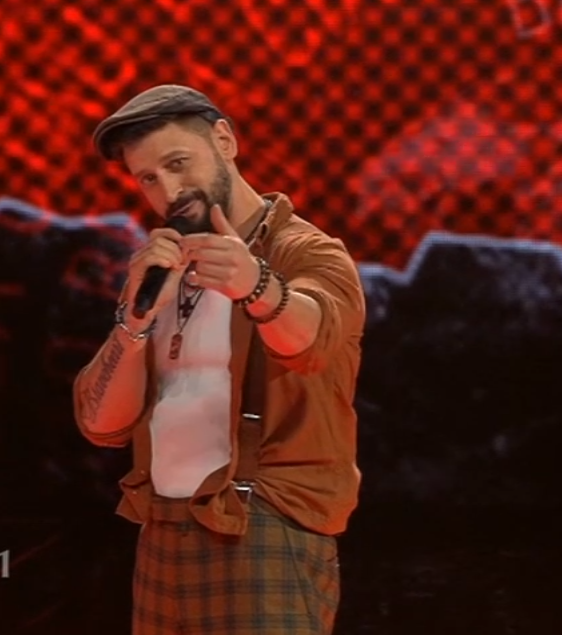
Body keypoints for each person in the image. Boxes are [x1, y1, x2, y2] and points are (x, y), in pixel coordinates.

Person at [73, 84, 365, 635]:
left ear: (225, 140)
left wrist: (255, 286)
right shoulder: (163, 267)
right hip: (161, 528)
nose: (168, 190)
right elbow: (100, 424)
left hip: (262, 524)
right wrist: (133, 324)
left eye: (178, 163)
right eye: (147, 178)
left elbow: (312, 341)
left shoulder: (304, 250)